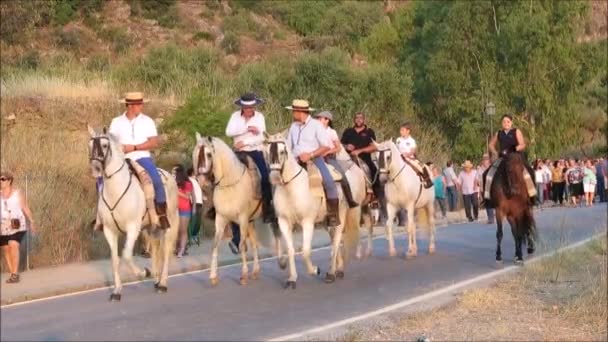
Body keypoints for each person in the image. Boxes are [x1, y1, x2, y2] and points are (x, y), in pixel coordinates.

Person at [93, 92, 170, 230]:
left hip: (142, 157)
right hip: (121, 159)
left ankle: (161, 214)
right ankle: (101, 216)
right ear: (129, 105)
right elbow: (111, 142)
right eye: (138, 104)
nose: (141, 106)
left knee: (156, 180)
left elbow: (154, 143)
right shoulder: (116, 122)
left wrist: (134, 147)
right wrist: (119, 148)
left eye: (141, 103)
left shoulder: (148, 121)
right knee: (101, 180)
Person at [286, 99, 340, 226]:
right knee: (278, 180)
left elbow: (326, 146)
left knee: (328, 181)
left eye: (294, 111)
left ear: (300, 111)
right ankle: (280, 211)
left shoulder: (316, 125)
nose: (293, 113)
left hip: (314, 159)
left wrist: (310, 154)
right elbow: (289, 145)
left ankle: (333, 214)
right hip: (295, 160)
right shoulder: (293, 126)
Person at [224, 92, 275, 223]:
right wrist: (247, 129)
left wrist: (245, 142)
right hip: (237, 151)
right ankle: (219, 206)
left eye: (252, 107)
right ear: (242, 108)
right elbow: (228, 132)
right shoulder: (235, 116)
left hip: (253, 150)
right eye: (247, 108)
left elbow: (262, 136)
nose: (250, 110)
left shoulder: (259, 117)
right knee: (221, 173)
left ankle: (267, 207)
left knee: (265, 176)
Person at [341, 112, 386, 223]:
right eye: (356, 118)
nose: (358, 120)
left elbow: (374, 146)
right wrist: (346, 146)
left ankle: (377, 198)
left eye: (361, 118)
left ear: (364, 120)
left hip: (364, 159)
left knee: (374, 172)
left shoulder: (369, 132)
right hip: (348, 159)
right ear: (354, 120)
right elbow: (340, 144)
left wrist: (359, 151)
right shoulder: (348, 132)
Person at [485, 114, 536, 204]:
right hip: (503, 158)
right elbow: (491, 145)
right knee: (488, 173)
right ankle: (487, 197)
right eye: (504, 122)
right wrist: (495, 152)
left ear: (511, 123)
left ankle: (532, 196)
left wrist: (514, 148)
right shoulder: (499, 133)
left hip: (515, 156)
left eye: (508, 121)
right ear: (501, 123)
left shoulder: (516, 131)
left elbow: (523, 144)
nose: (506, 123)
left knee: (529, 172)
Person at [314, 110, 358, 208]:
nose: (317, 120)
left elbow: (338, 148)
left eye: (319, 118)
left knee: (342, 177)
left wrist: (328, 152)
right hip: (315, 157)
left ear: (327, 120)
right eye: (317, 118)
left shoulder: (332, 132)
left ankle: (350, 199)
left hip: (330, 158)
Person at [1, 171, 36, 284]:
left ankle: (15, 274)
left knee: (13, 244)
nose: (1, 181)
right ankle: (12, 273)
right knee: (6, 249)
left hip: (17, 225)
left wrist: (32, 221)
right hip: (3, 226)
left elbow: (25, 207)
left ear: (9, 181)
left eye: (3, 179)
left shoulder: (17, 193)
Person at [396, 122, 433, 188]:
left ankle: (427, 181)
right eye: (400, 130)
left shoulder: (411, 140)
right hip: (399, 158)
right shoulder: (398, 140)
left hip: (409, 158)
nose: (400, 132)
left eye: (402, 130)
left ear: (408, 131)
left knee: (420, 167)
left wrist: (407, 154)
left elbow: (413, 150)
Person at [173, 165, 192, 258]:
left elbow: (187, 196)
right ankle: (177, 248)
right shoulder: (173, 183)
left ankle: (182, 250)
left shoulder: (187, 183)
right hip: (175, 209)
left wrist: (176, 191)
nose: (173, 174)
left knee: (183, 230)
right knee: (176, 230)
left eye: (174, 172)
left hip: (184, 209)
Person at [187, 167, 203, 246]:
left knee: (198, 220)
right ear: (192, 173)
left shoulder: (196, 181)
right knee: (193, 220)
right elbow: (191, 192)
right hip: (194, 202)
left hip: (199, 202)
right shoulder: (189, 180)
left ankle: (195, 235)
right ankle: (191, 236)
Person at [477, 154, 495, 223]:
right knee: (487, 201)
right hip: (484, 188)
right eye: (485, 160)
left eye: (487, 159)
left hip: (492, 187)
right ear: (483, 161)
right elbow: (477, 179)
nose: (486, 161)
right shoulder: (480, 170)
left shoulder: (492, 168)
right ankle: (490, 218)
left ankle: (495, 214)